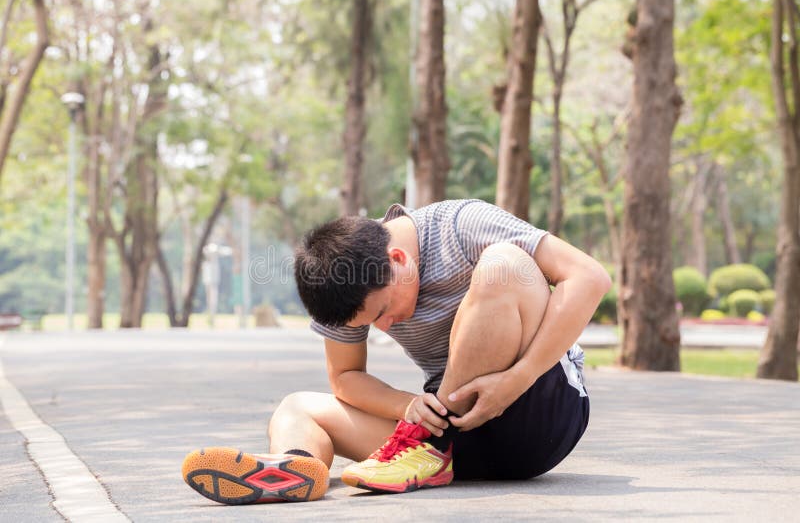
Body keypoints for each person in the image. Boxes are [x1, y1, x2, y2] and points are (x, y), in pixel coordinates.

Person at [182, 199, 611, 504]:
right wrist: (410, 406)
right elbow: (345, 378)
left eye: (383, 311)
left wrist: (518, 378)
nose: (385, 327)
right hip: (448, 435)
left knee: (503, 264)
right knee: (297, 407)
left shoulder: (462, 224)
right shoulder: (342, 283)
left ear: (399, 257)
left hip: (539, 411)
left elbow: (589, 277)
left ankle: (426, 449)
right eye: (370, 324)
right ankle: (298, 469)